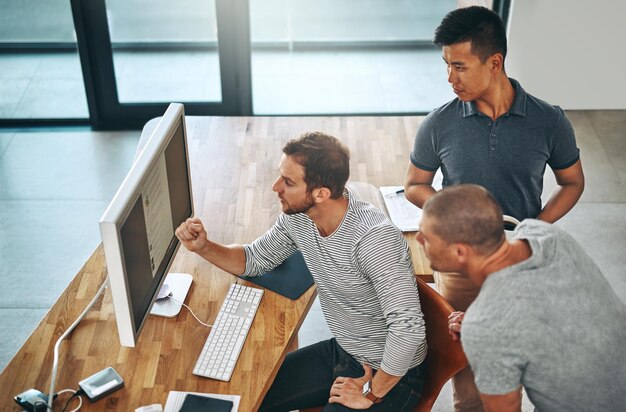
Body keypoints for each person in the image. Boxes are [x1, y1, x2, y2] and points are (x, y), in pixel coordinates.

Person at [404, 6, 585, 411]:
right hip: (459, 265)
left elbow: (573, 183)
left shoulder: (549, 121)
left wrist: (534, 228)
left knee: (509, 375)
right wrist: (457, 216)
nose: (450, 78)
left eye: (459, 67)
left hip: (519, 263)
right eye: (446, 66)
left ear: (495, 62)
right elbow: (414, 184)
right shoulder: (439, 124)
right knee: (469, 381)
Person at [176, 132, 427, 411]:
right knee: (243, 398)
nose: (275, 187)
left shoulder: (374, 240)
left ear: (321, 193)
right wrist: (203, 247)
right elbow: (255, 259)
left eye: (288, 182)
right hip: (346, 353)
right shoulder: (299, 218)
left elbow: (409, 331)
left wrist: (371, 393)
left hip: (392, 376)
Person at [417, 184, 626, 412]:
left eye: (426, 237)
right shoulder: (546, 234)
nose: (418, 239)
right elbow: (549, 303)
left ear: (459, 252)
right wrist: (490, 323)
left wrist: (485, 327)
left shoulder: (485, 328)